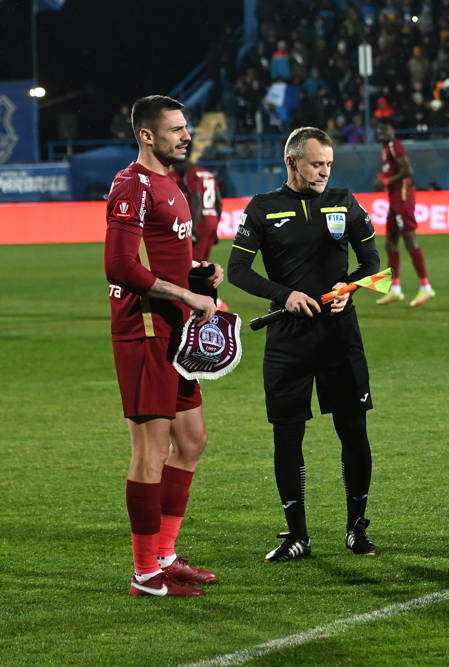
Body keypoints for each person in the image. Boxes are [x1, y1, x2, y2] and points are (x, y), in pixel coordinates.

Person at [227, 127, 382, 562]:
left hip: (339, 335)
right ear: (292, 162)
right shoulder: (263, 208)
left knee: (353, 431)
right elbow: (237, 269)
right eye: (317, 164)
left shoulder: (345, 202)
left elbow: (372, 263)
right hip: (288, 339)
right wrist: (284, 295)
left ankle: (357, 528)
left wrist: (348, 286)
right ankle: (297, 536)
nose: (324, 172)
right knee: (288, 435)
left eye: (329, 164)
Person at [104, 95, 223, 597]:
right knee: (149, 452)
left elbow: (166, 258)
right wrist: (185, 293)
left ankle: (166, 554)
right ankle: (145, 573)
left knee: (191, 441)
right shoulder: (132, 184)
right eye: (176, 129)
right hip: (146, 329)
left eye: (186, 127)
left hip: (175, 330)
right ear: (148, 135)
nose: (186, 135)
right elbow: (120, 266)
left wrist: (199, 273)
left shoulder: (171, 184)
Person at [372, 121, 436, 307]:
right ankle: (395, 289)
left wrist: (386, 180)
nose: (382, 134)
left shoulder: (394, 145)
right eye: (379, 132)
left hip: (403, 193)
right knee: (390, 242)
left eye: (385, 131)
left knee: (409, 236)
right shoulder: (385, 149)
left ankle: (425, 287)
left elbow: (408, 170)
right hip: (394, 196)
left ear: (391, 132)